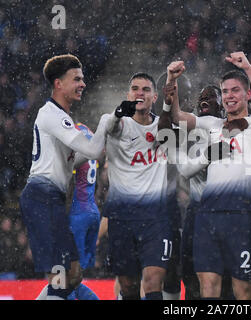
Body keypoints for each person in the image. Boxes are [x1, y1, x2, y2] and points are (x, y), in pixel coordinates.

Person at [167, 52, 251, 300]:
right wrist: (172, 79)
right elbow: (176, 116)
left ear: (248, 95)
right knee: (208, 288)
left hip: (242, 219)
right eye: (225, 92)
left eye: (235, 90)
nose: (229, 96)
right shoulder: (213, 125)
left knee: (243, 290)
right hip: (207, 218)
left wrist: (248, 67)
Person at [19, 54, 109, 300]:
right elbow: (91, 151)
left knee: (73, 275)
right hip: (42, 195)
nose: (83, 84)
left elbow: (78, 159)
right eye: (76, 79)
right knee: (62, 276)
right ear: (58, 84)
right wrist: (105, 122)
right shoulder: (53, 114)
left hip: (49, 197)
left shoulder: (60, 117)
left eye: (83, 78)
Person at [100, 72, 171, 300]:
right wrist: (118, 112)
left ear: (154, 96)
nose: (140, 93)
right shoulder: (118, 124)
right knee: (128, 287)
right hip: (122, 219)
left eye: (146, 89)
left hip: (155, 219)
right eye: (135, 88)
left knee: (152, 281)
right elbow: (110, 126)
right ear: (128, 94)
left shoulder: (164, 127)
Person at [36, 122, 101, 300]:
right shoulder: (88, 132)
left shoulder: (72, 137)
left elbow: (66, 181)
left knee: (65, 278)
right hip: (91, 210)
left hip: (77, 215)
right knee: (73, 277)